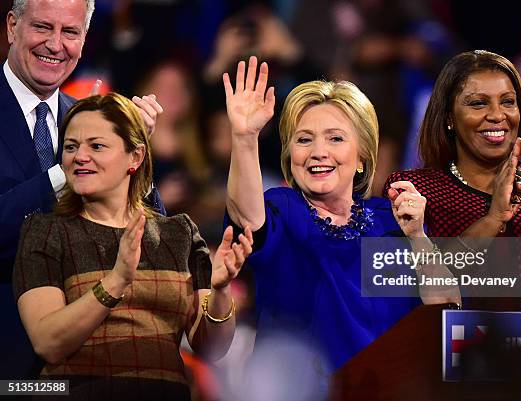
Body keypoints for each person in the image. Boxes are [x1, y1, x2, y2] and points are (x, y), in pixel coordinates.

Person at [223, 56, 459, 379]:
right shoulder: (283, 210)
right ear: (290, 155)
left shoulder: (391, 222)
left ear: (361, 156)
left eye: (335, 138)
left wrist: (418, 237)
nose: (319, 151)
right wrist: (245, 138)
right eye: (304, 139)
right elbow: (246, 219)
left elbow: (446, 312)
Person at [13, 93, 253, 400]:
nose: (79, 156)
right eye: (71, 146)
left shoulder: (178, 233)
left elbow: (214, 347)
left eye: (96, 146)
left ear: (135, 157)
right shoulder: (46, 231)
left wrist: (220, 291)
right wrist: (116, 281)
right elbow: (48, 341)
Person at [0, 0, 164, 378]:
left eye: (70, 32)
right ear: (12, 26)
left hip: (91, 368)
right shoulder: (89, 142)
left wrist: (131, 161)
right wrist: (71, 169)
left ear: (84, 39)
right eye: (43, 27)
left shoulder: (91, 124)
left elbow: (154, 248)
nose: (56, 45)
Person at [384, 50, 521, 311]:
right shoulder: (415, 191)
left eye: (508, 102)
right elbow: (408, 288)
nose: (498, 115)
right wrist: (492, 219)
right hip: (455, 348)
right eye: (478, 103)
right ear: (449, 117)